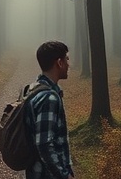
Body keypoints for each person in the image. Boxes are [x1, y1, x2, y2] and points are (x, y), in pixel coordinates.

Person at [23, 40, 75, 179]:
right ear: (59, 62)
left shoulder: (34, 89)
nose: (69, 64)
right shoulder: (48, 98)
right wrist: (63, 175)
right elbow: (44, 144)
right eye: (67, 59)